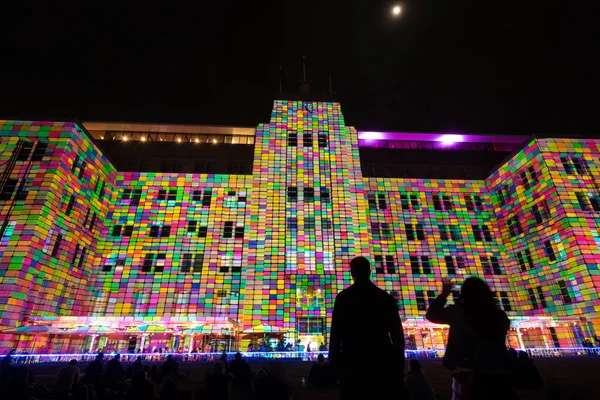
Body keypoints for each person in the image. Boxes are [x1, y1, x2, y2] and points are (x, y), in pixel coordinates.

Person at [426, 277, 516, 400]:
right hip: (499, 373)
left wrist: (444, 294)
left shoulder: (459, 312)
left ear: (465, 294)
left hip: (468, 372)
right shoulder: (500, 316)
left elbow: (431, 314)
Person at [329, 256, 405, 399]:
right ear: (369, 271)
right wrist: (398, 366)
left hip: (352, 362)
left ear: (352, 274)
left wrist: (335, 366)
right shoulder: (385, 298)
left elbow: (336, 335)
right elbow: (397, 336)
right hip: (381, 363)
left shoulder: (343, 298)